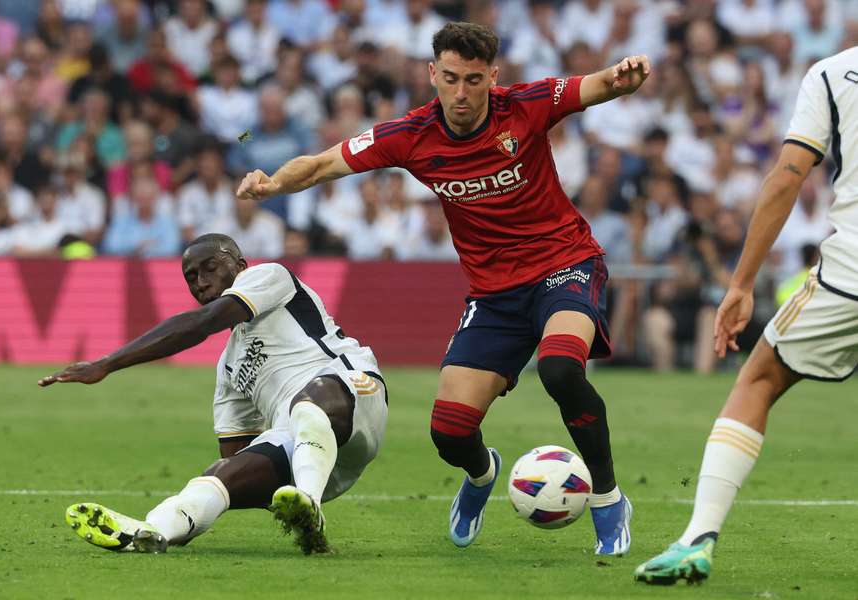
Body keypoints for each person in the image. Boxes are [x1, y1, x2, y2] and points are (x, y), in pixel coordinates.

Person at [236, 22, 650, 555]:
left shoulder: (525, 105)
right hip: (494, 295)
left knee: (560, 367)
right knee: (450, 433)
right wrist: (272, 182)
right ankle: (482, 475)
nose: (461, 93)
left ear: (492, 77)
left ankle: (610, 498)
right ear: (433, 74)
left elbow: (596, 85)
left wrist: (624, 78)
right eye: (450, 78)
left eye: (474, 80)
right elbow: (322, 163)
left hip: (564, 264)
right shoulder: (411, 134)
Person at [635, 45, 858, 584]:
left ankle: (697, 539)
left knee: (756, 378)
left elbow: (787, 177)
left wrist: (740, 283)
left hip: (851, 275)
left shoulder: (832, 74)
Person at [39, 233, 387, 555]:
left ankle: (310, 507)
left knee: (308, 403)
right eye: (191, 277)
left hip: (351, 391)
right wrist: (229, 484)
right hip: (313, 455)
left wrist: (107, 363)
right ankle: (150, 531)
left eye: (210, 268)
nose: (201, 281)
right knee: (218, 474)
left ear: (240, 265)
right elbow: (236, 452)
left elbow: (202, 323)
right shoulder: (229, 368)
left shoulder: (270, 276)